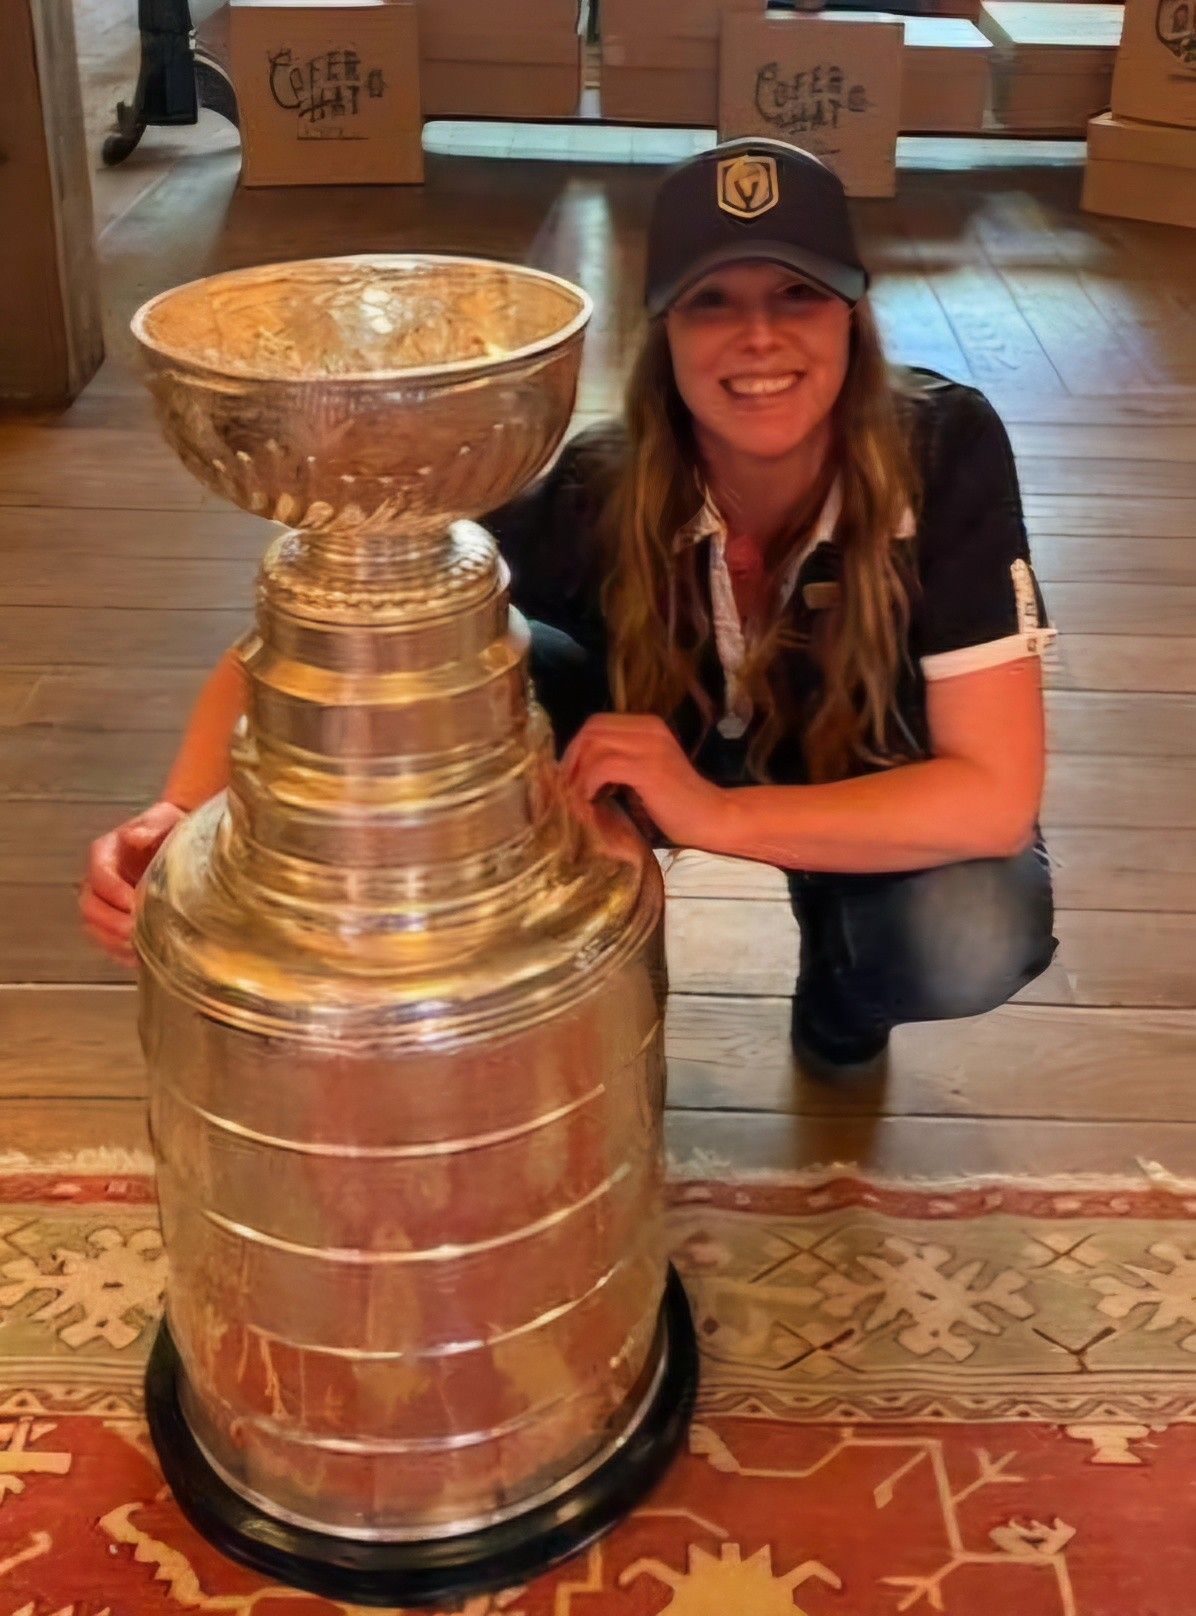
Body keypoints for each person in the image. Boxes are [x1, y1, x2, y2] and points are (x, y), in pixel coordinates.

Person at [81, 137, 1058, 1076]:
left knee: (966, 933)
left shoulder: (944, 450)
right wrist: (177, 806)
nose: (758, 335)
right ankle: (526, 1045)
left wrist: (718, 813)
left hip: (859, 765)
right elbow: (331, 637)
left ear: (852, 310)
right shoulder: (603, 482)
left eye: (796, 292)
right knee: (478, 654)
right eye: (710, 300)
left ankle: (843, 994)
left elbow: (993, 796)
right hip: (645, 750)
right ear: (662, 332)